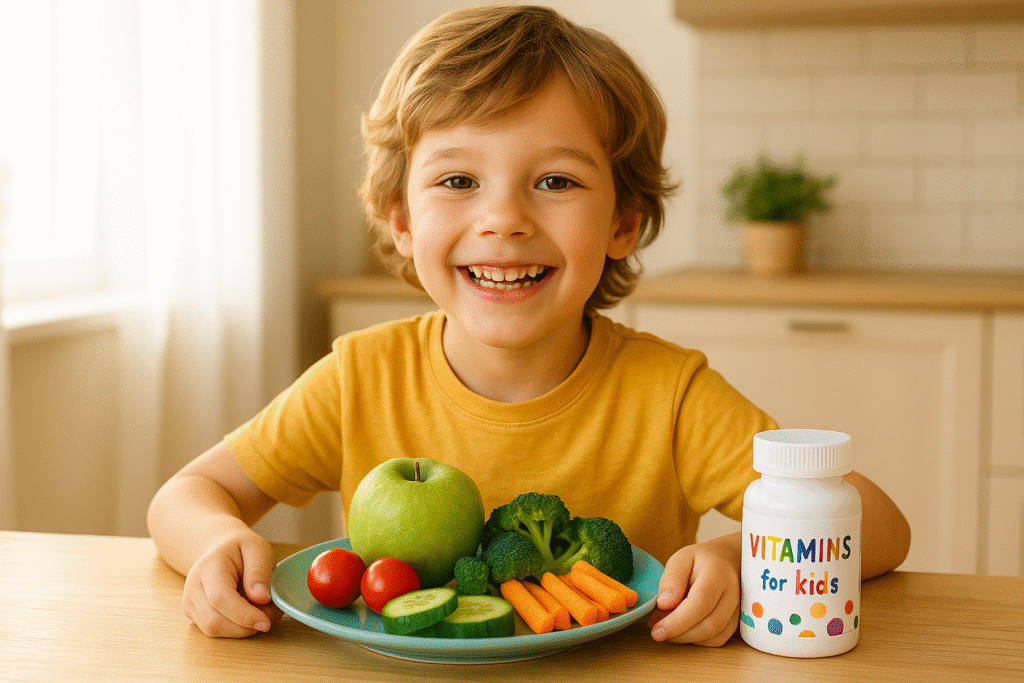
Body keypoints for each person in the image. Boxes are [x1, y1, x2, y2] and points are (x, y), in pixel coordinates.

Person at [148, 4, 910, 643]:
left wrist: (740, 554)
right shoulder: (360, 377)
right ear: (404, 221)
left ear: (622, 223)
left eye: (555, 180)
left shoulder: (670, 392)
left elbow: (878, 525)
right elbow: (186, 493)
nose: (504, 219)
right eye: (458, 179)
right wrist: (218, 542)